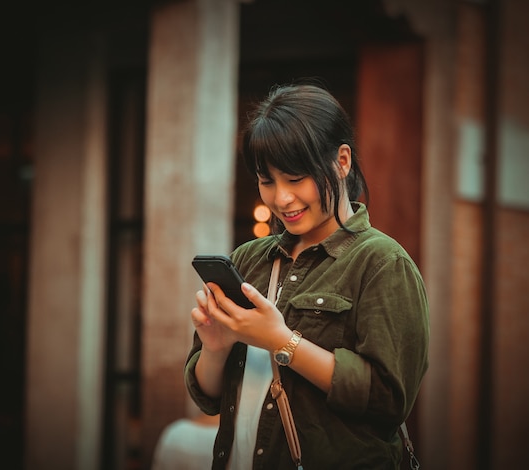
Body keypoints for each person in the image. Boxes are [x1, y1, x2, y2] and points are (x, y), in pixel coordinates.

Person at [184, 81, 430, 469]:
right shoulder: (249, 259)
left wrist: (282, 340)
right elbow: (208, 396)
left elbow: (388, 400)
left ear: (342, 161)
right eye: (268, 181)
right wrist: (215, 348)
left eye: (296, 178)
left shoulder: (383, 263)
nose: (281, 198)